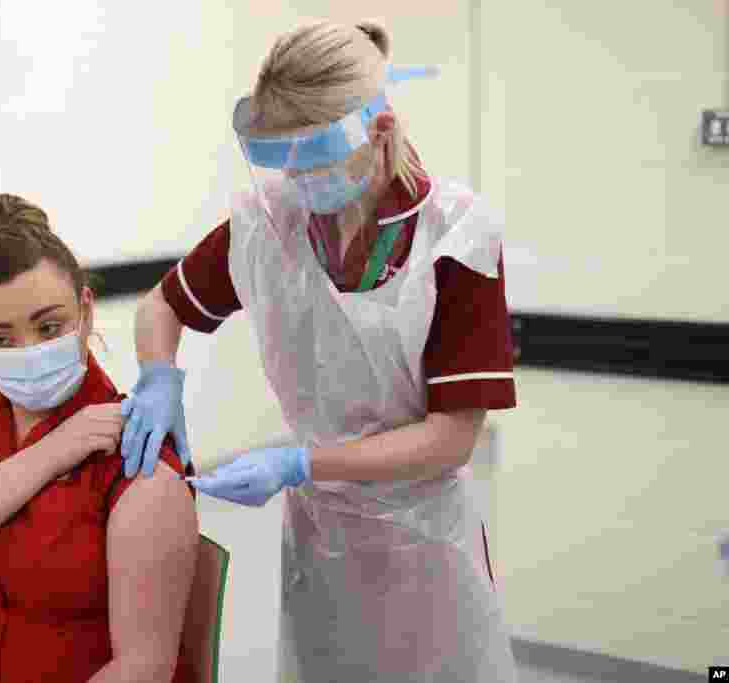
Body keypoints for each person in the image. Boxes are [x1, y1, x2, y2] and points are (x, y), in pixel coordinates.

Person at [120, 20, 519, 682]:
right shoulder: (268, 225)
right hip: (321, 544)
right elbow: (160, 307)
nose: (298, 177)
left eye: (315, 155)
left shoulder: (455, 239)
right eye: (282, 155)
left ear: (380, 131)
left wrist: (303, 460)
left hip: (425, 550)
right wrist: (160, 377)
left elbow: (451, 437)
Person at [0, 194, 200, 683]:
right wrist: (51, 452)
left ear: (85, 312)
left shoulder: (137, 457)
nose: (30, 350)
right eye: (1, 339)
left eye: (49, 327)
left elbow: (142, 669)